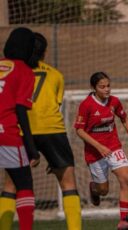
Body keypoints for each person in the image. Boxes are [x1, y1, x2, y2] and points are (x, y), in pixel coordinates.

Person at [1, 32, 82, 230]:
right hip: (51, 129)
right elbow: (56, 102)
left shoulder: (11, 71)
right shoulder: (56, 75)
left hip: (21, 130)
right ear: (44, 53)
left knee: (11, 185)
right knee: (68, 182)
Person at [74, 72, 128, 230]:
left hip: (114, 147)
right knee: (104, 190)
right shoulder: (86, 105)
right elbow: (79, 130)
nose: (106, 89)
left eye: (108, 86)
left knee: (126, 178)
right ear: (93, 88)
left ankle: (124, 220)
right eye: (102, 87)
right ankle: (94, 188)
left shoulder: (114, 101)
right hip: (94, 153)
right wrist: (99, 146)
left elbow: (124, 119)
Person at [0, 27, 40, 230]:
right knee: (24, 184)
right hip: (6, 134)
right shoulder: (24, 71)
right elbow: (20, 111)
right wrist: (31, 148)